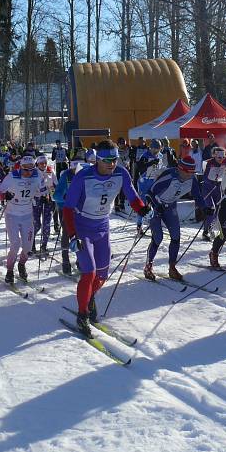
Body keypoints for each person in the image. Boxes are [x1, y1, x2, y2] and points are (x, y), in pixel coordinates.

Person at [62, 140, 149, 336]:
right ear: (98, 160)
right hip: (82, 227)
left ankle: (89, 297)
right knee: (89, 272)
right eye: (107, 160)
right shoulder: (83, 177)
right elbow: (67, 208)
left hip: (102, 227)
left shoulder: (121, 173)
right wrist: (73, 235)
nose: (112, 164)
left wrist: (142, 209)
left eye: (115, 159)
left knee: (102, 274)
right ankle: (82, 315)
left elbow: (132, 197)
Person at [143, 155, 209, 281]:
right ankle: (148, 265)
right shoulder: (169, 176)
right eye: (188, 172)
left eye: (192, 173)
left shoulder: (192, 179)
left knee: (176, 236)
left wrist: (204, 208)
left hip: (170, 207)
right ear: (180, 169)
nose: (190, 175)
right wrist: (157, 205)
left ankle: (172, 267)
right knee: (158, 237)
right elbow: (149, 192)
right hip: (156, 207)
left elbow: (198, 196)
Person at [0, 155, 44, 284]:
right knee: (15, 245)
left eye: (31, 169)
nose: (28, 172)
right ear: (20, 167)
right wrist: (5, 195)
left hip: (27, 215)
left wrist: (45, 193)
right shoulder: (12, 176)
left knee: (28, 247)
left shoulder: (37, 175)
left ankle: (21, 264)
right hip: (12, 214)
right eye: (26, 169)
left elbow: (42, 190)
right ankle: (9, 271)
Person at [134, 139, 167, 235]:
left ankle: (153, 224)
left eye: (158, 149)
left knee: (153, 204)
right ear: (150, 148)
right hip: (144, 183)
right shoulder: (145, 156)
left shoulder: (160, 155)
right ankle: (139, 225)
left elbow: (161, 167)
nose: (156, 151)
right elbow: (140, 168)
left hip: (154, 182)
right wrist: (151, 163)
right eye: (154, 149)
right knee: (143, 205)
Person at [53, 158, 79, 274]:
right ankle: (65, 260)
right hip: (65, 208)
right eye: (73, 167)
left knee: (80, 233)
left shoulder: (84, 174)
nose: (76, 170)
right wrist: (65, 198)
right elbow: (56, 195)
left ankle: (80, 259)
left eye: (78, 167)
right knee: (66, 232)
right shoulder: (66, 176)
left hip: (79, 209)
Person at [201, 145, 226, 241]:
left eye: (222, 157)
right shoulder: (209, 163)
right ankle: (205, 231)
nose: (221, 159)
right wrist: (213, 181)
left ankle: (210, 228)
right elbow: (205, 178)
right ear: (214, 156)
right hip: (208, 189)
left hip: (218, 188)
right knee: (211, 209)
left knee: (218, 209)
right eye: (219, 157)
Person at [31, 154, 57, 255]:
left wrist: (55, 193)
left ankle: (44, 246)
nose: (44, 165)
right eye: (41, 163)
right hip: (36, 199)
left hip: (48, 199)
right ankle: (32, 245)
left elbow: (56, 184)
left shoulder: (50, 170)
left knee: (46, 223)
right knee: (36, 224)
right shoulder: (33, 172)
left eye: (45, 163)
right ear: (37, 164)